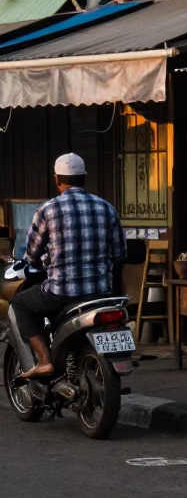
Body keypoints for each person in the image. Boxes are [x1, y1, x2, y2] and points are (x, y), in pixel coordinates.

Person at [12, 153, 126, 379]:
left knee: (21, 304)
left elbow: (32, 253)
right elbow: (120, 252)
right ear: (84, 178)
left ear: (57, 179)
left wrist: (38, 262)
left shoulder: (47, 210)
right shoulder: (107, 207)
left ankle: (45, 361)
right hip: (102, 292)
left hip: (61, 291)